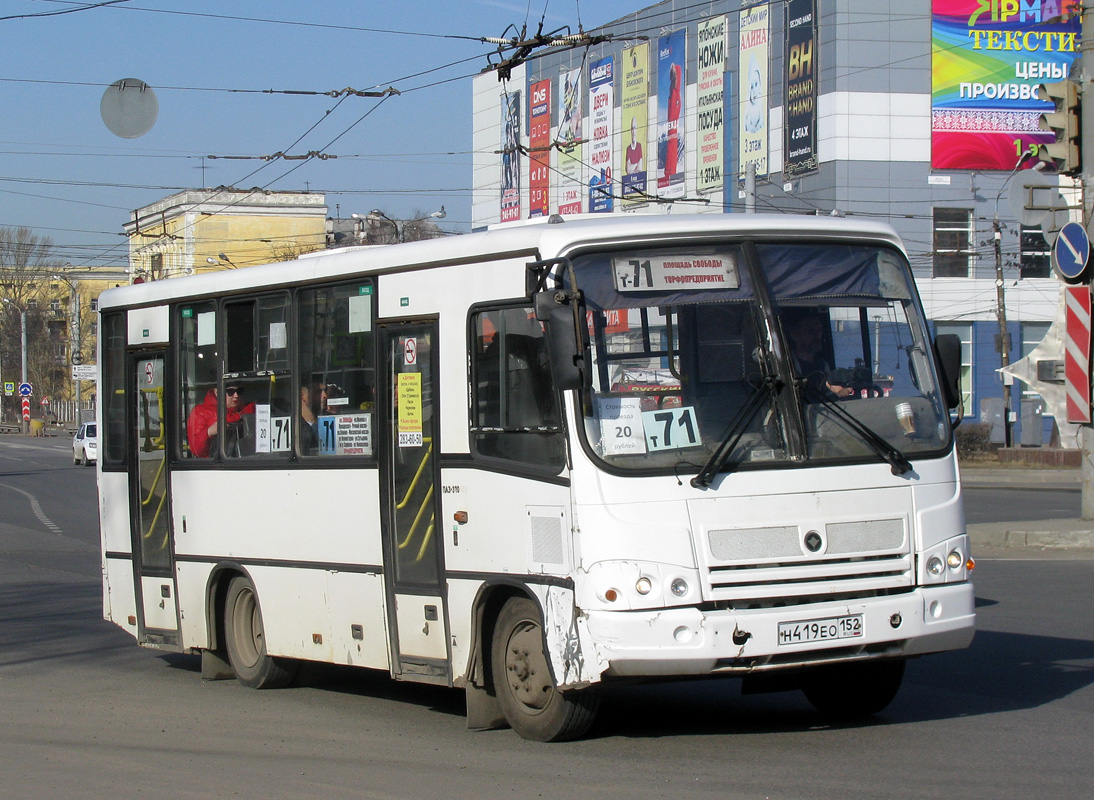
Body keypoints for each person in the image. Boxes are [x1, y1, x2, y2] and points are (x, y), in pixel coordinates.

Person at [784, 311, 853, 399]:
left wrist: (836, 390)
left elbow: (826, 390)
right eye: (810, 331)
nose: (817, 336)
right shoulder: (787, 366)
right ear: (795, 335)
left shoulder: (823, 366)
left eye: (819, 330)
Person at [187, 384, 256, 458]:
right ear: (217, 392)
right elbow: (197, 451)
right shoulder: (200, 412)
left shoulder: (250, 409)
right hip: (216, 465)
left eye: (239, 391)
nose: (236, 395)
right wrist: (208, 432)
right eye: (230, 391)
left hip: (246, 461)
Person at [299, 378, 327, 454]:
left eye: (325, 391)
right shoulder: (294, 428)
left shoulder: (328, 423)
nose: (325, 396)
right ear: (303, 397)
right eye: (318, 392)